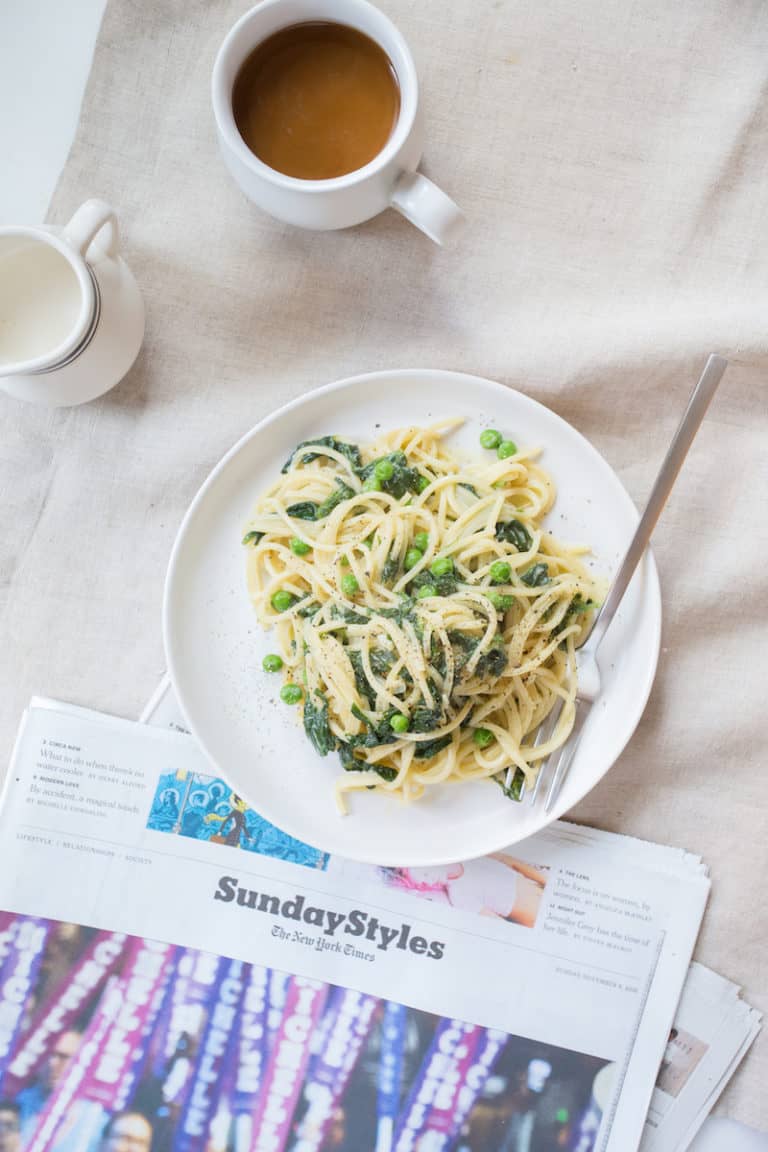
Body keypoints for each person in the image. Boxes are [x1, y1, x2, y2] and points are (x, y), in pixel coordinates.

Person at [17, 1029, 82, 1141]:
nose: (52, 1063)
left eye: (64, 1057)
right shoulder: (15, 1102)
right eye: (47, 1055)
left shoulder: (94, 1116)